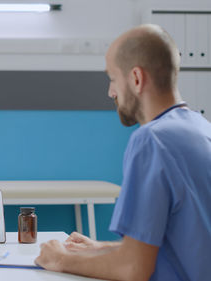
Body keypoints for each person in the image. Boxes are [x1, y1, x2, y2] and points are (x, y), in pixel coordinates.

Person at [35, 24, 211, 280]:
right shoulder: (201, 128)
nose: (111, 92)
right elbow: (186, 245)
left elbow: (134, 269)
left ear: (136, 78)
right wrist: (101, 248)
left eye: (113, 79)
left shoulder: (152, 140)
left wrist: (61, 259)